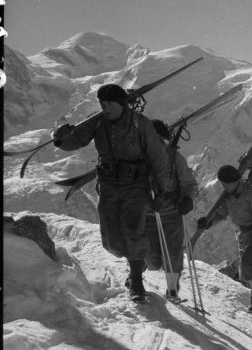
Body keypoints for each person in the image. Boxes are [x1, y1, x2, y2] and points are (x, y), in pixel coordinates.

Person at [53, 84, 171, 300]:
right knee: (111, 239)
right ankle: (135, 263)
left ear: (121, 103)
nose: (104, 107)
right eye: (102, 103)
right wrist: (61, 136)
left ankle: (136, 282)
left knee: (133, 232)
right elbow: (75, 141)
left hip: (136, 186)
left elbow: (158, 158)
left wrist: (162, 190)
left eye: (109, 103)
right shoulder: (97, 122)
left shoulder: (140, 124)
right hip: (108, 185)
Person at [196, 164, 252, 318]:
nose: (224, 186)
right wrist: (208, 222)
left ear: (236, 181)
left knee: (247, 264)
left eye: (227, 184)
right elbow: (221, 214)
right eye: (223, 184)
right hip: (243, 233)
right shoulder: (227, 196)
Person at [142, 120, 198, 299]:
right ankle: (137, 272)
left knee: (173, 253)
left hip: (172, 211)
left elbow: (188, 182)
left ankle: (172, 290)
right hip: (147, 213)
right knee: (152, 258)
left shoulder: (174, 157)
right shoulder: (137, 157)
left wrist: (187, 199)